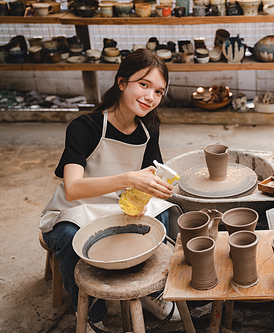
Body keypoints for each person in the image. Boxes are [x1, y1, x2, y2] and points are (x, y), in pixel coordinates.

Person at [39, 49, 182, 328]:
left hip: (119, 207)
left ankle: (150, 292)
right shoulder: (85, 127)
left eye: (159, 91)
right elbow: (72, 189)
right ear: (121, 82)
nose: (150, 97)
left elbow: (151, 178)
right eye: (143, 84)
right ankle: (92, 312)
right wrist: (129, 179)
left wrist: (155, 190)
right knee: (69, 235)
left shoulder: (149, 129)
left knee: (166, 214)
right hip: (76, 210)